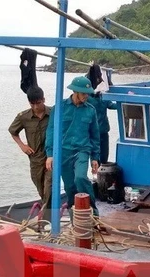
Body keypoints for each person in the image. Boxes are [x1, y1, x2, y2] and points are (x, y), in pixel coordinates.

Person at [45, 76, 100, 219]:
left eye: (88, 93)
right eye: (83, 93)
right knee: (70, 187)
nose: (86, 96)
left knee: (80, 178)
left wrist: (95, 157)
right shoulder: (59, 108)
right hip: (63, 152)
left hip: (82, 150)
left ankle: (94, 213)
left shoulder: (91, 110)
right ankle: (74, 217)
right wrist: (50, 154)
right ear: (75, 91)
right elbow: (51, 131)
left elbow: (95, 135)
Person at [8, 86, 52, 219]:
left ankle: (45, 220)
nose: (36, 107)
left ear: (43, 100)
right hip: (35, 160)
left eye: (38, 103)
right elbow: (13, 131)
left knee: (49, 188)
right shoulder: (23, 117)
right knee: (42, 191)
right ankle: (48, 216)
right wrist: (22, 146)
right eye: (32, 104)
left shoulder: (53, 113)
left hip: (51, 158)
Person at [86, 64, 117, 164]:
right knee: (95, 156)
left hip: (103, 131)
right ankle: (96, 171)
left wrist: (125, 102)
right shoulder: (88, 99)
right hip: (93, 131)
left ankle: (99, 170)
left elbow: (111, 105)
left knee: (103, 156)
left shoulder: (102, 98)